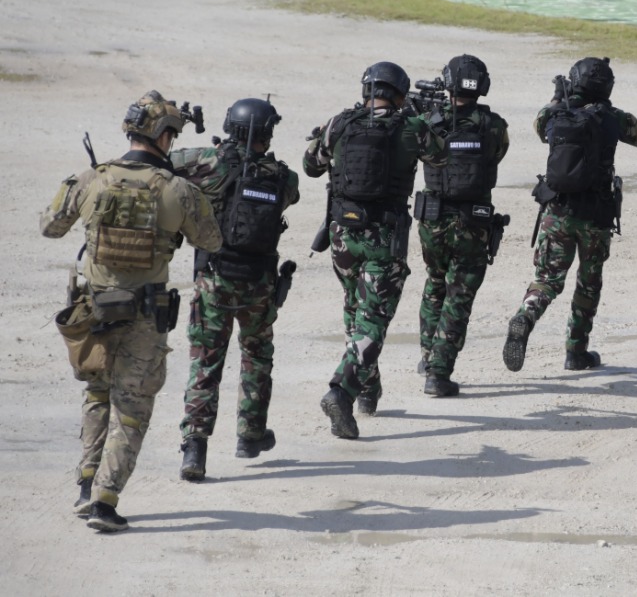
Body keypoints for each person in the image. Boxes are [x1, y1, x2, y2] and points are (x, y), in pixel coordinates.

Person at [41, 91, 222, 532]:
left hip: (94, 310)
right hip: (145, 316)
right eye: (173, 135)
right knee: (132, 407)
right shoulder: (178, 189)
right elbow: (212, 241)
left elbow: (50, 226)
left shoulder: (93, 178)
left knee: (98, 393)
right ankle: (105, 499)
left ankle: (86, 483)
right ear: (162, 137)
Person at [304, 62, 444, 439]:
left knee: (355, 307)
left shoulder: (340, 122)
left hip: (341, 235)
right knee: (374, 319)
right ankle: (341, 390)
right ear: (399, 93)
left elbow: (311, 166)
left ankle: (368, 389)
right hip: (383, 236)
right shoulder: (411, 127)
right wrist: (419, 117)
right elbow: (440, 157)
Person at [170, 98, 300, 480]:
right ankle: (249, 435)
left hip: (214, 278)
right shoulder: (282, 177)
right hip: (259, 283)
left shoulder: (209, 162)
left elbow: (166, 163)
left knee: (206, 363)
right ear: (267, 133)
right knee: (256, 357)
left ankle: (195, 448)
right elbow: (292, 194)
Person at [502, 57, 637, 373]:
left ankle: (525, 316)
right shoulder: (614, 118)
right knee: (588, 281)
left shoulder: (557, 115)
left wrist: (560, 97)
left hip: (558, 211)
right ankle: (576, 351)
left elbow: (540, 127)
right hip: (596, 216)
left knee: (546, 280)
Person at [415, 55, 509, 397]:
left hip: (433, 219)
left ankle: (428, 355)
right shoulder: (494, 125)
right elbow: (497, 155)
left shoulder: (427, 120)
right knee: (460, 294)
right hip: (473, 220)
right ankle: (438, 372)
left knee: (435, 284)